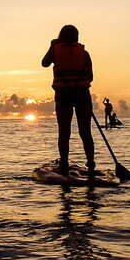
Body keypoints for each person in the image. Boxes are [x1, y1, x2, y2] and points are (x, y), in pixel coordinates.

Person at [41, 24, 95, 177]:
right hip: (82, 94)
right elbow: (90, 77)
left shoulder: (55, 52)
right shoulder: (84, 53)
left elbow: (44, 63)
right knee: (86, 132)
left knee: (64, 132)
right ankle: (91, 163)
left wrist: (52, 46)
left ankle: (64, 164)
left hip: (63, 95)